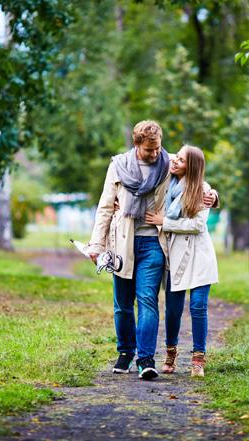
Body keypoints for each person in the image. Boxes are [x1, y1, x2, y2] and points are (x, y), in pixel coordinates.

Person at [86, 121, 217, 380]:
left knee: (147, 300)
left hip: (154, 243)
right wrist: (96, 244)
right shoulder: (118, 166)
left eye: (158, 148)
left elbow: (194, 178)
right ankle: (125, 352)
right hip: (123, 242)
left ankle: (145, 359)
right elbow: (104, 207)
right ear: (137, 145)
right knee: (122, 304)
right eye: (149, 150)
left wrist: (213, 194)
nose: (155, 154)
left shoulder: (167, 163)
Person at [144, 145, 218, 378]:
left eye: (182, 160)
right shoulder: (166, 186)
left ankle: (198, 359)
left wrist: (164, 222)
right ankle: (171, 352)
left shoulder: (202, 190)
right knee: (173, 309)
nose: (175, 161)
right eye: (176, 156)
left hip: (199, 255)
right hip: (174, 255)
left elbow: (197, 226)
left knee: (198, 306)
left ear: (192, 167)